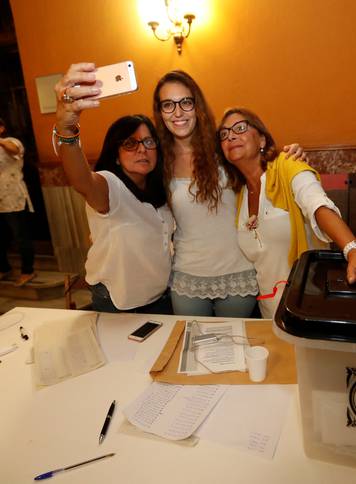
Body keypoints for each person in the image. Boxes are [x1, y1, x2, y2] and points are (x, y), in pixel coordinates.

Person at [153, 70, 306, 317]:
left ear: (197, 106)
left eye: (186, 102)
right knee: (193, 346)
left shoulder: (223, 146)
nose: (178, 112)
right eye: (168, 105)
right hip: (187, 277)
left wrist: (293, 154)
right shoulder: (158, 161)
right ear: (160, 112)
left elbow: (264, 164)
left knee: (237, 350)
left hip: (239, 274)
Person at [53, 63, 174, 314]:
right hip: (119, 303)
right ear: (116, 155)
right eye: (130, 143)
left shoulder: (160, 193)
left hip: (161, 298)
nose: (142, 149)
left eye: (149, 142)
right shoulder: (111, 186)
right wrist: (66, 129)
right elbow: (82, 180)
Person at [218, 107, 356, 318]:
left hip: (309, 305)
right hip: (269, 311)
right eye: (224, 134)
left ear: (262, 140)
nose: (231, 136)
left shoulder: (287, 165)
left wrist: (351, 248)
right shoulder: (240, 195)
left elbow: (316, 203)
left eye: (240, 128)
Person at [0, 118, 36, 286]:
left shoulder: (11, 142)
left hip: (13, 196)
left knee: (20, 235)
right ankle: (4, 267)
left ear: (2, 128)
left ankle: (28, 271)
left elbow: (14, 150)